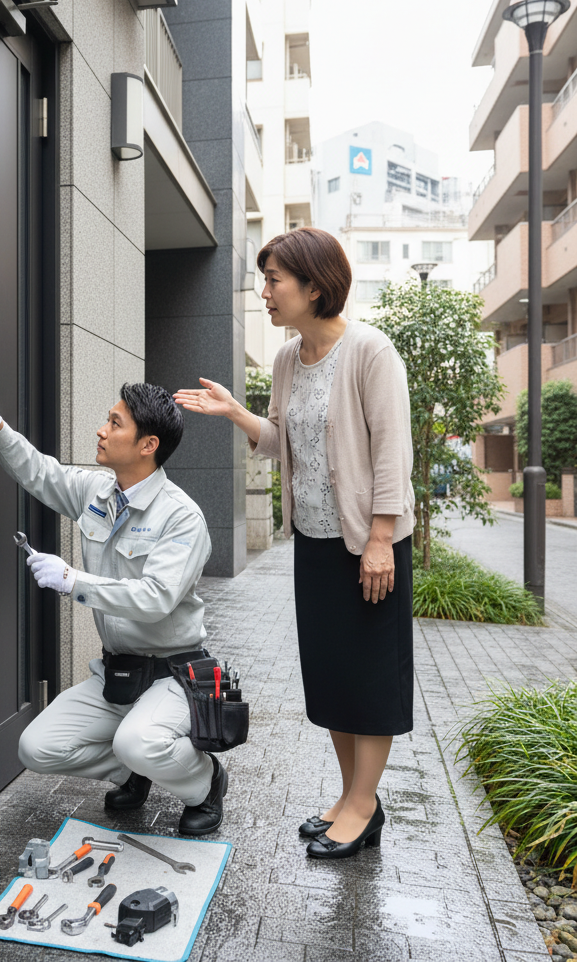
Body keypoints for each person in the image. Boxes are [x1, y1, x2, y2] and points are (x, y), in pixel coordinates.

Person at [174, 226, 414, 860]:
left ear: (314, 285)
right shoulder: (286, 358)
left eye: (274, 280)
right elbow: (281, 438)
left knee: (370, 677)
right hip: (313, 542)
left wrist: (381, 539)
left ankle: (364, 807)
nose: (265, 292)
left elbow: (393, 451)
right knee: (333, 674)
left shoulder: (369, 352)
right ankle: (350, 795)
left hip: (368, 544)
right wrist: (234, 412)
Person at [0, 380, 228, 834]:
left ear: (148, 445)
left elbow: (156, 597)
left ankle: (205, 783)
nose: (101, 430)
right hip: (118, 674)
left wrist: (73, 580)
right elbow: (41, 473)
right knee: (37, 748)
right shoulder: (98, 491)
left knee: (139, 740)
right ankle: (133, 771)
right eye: (108, 419)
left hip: (173, 676)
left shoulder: (181, 517)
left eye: (114, 423)